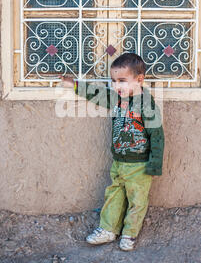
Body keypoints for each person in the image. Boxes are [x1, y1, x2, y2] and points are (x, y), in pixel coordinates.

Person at [58, 53, 164, 251]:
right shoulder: (116, 99)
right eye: (113, 81)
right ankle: (108, 229)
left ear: (139, 79)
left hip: (139, 165)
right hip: (119, 162)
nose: (117, 86)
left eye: (122, 81)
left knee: (137, 200)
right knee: (113, 194)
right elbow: (96, 94)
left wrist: (154, 163)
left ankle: (129, 234)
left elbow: (157, 135)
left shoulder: (147, 105)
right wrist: (74, 85)